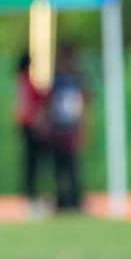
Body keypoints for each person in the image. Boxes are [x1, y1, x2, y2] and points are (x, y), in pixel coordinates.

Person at [45, 43, 90, 213]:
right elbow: (50, 105)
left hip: (71, 129)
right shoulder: (56, 81)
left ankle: (75, 200)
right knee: (59, 168)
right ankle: (62, 201)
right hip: (58, 130)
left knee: (73, 167)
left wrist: (83, 126)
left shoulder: (76, 80)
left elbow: (84, 103)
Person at [15, 52, 50, 218]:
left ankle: (33, 196)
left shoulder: (19, 82)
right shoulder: (25, 81)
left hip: (26, 126)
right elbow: (38, 98)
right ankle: (33, 197)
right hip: (30, 126)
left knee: (31, 164)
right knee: (33, 164)